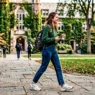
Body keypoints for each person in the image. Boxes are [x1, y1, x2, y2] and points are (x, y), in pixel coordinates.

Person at [30, 12, 73, 91]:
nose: (58, 18)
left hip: (53, 50)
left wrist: (59, 38)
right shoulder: (47, 27)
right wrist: (54, 39)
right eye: (56, 17)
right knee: (43, 67)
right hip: (47, 50)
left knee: (58, 67)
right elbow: (44, 39)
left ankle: (62, 85)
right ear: (52, 18)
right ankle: (33, 83)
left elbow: (54, 39)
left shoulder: (54, 28)